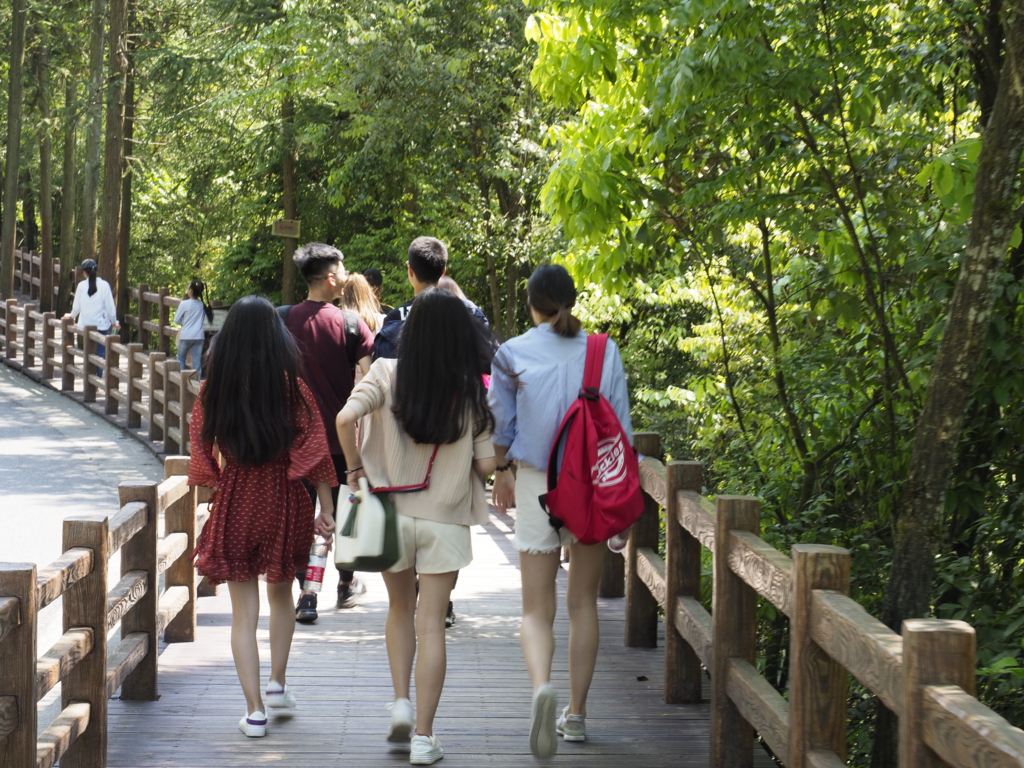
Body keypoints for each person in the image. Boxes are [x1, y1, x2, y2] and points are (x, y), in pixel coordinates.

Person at [335, 289, 497, 766]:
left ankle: (401, 701)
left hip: (389, 514)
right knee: (433, 624)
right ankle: (424, 737)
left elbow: (345, 418)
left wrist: (354, 470)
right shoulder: (470, 388)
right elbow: (486, 465)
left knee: (400, 610)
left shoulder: (385, 372)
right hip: (445, 519)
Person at [488, 264, 633, 758]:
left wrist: (500, 473)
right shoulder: (602, 352)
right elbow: (621, 435)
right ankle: (576, 714)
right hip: (590, 487)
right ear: (573, 299)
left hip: (535, 486)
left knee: (536, 607)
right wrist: (624, 509)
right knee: (583, 604)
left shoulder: (511, 353)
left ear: (531, 303)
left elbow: (500, 431)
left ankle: (539, 689)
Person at [187, 296, 338, 739]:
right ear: (276, 339)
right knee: (281, 596)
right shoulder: (293, 389)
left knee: (243, 615)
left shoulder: (213, 391)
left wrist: (216, 482)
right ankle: (277, 684)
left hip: (237, 499)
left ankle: (254, 712)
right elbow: (315, 452)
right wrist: (326, 509)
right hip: (285, 500)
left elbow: (200, 447)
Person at [285, 243, 375, 621]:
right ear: (330, 277)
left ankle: (307, 591)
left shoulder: (281, 319)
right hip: (341, 443)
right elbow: (371, 381)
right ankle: (344, 585)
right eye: (343, 268)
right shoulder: (352, 324)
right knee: (342, 515)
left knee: (302, 519)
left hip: (294, 443)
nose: (347, 274)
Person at [373, 237, 490, 360]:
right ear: (443, 272)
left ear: (410, 270)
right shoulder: (471, 312)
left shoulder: (394, 318)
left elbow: (383, 370)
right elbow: (489, 361)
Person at [64, 259, 119, 368]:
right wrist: (115, 321)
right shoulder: (104, 285)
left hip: (86, 324)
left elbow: (76, 307)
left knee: (88, 353)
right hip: (102, 324)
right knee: (100, 354)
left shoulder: (81, 286)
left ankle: (89, 379)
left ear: (84, 272)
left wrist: (71, 316)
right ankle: (97, 378)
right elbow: (110, 307)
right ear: (96, 270)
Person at [174, 279, 213, 380]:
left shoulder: (184, 304)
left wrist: (185, 323)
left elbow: (176, 320)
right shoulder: (202, 305)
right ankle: (196, 384)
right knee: (196, 362)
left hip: (186, 336)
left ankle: (182, 382)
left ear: (191, 291)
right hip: (199, 337)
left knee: (181, 358)